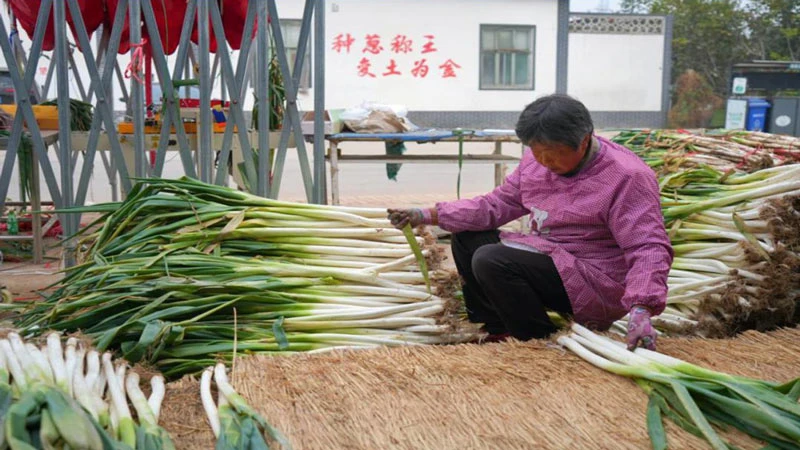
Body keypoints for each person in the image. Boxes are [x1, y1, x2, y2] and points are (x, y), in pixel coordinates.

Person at [387, 94, 672, 350]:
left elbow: (647, 245)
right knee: (467, 238)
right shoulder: (535, 163)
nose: (544, 161)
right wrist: (426, 214)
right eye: (536, 150)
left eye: (552, 151)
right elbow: (495, 205)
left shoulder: (627, 176)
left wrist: (641, 307)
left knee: (492, 259)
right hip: (551, 259)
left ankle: (537, 339)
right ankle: (498, 328)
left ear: (584, 140)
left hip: (596, 280)